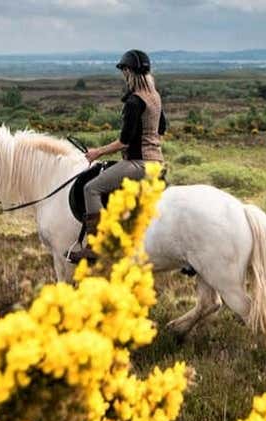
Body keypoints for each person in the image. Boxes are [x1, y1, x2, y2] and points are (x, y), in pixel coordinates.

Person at [68, 49, 167, 263]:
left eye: (125, 71)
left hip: (139, 165)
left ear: (130, 72)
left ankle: (95, 246)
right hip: (157, 163)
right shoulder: (154, 97)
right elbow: (162, 128)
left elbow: (124, 141)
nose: (123, 75)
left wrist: (97, 152)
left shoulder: (134, 102)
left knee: (91, 188)